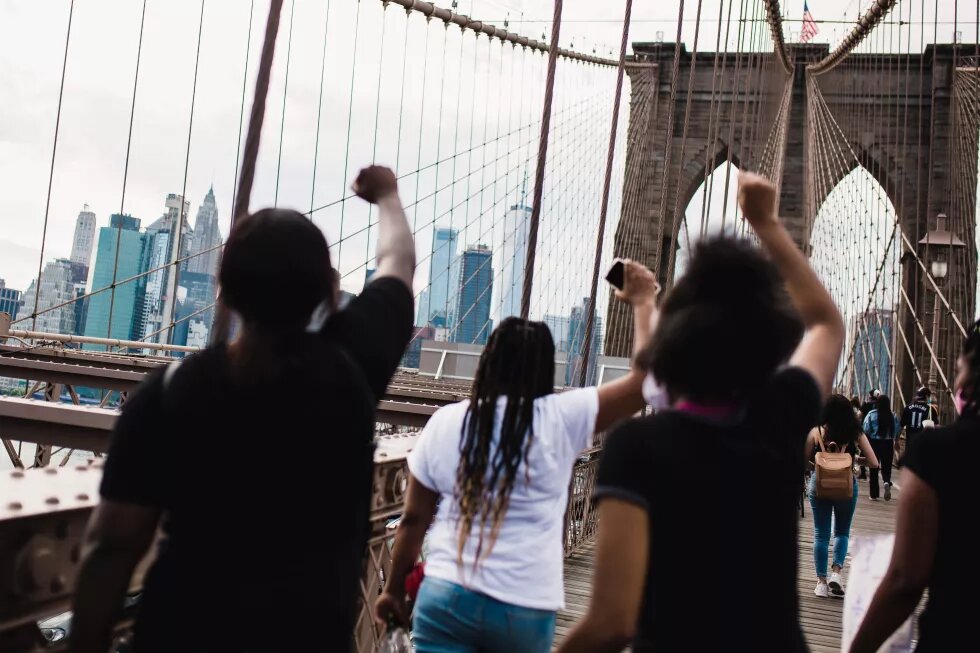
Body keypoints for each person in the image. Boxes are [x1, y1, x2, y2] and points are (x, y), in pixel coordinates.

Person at [69, 166, 416, 653]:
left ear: (223, 291)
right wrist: (386, 196)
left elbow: (111, 550)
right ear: (328, 292)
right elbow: (398, 260)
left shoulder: (170, 392)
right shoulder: (353, 366)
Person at [555, 172, 844, 652]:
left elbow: (610, 624)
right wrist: (767, 224)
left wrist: (647, 303)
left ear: (677, 338)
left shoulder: (638, 447)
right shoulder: (783, 413)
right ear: (772, 336)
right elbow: (826, 324)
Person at [373, 262, 660, 653]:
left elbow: (413, 520)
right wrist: (644, 301)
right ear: (546, 371)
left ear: (487, 361)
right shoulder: (563, 417)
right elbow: (644, 383)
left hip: (448, 593)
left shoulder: (447, 421)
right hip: (525, 605)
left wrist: (391, 592)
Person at [850, 319, 980, 652]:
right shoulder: (930, 420)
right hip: (897, 444)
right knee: (885, 470)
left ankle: (882, 485)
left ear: (969, 373)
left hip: (956, 637)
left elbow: (905, 580)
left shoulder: (941, 452)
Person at [806, 394, 880, 599]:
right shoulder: (855, 433)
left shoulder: (816, 431)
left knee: (821, 534)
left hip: (819, 486)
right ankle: (836, 573)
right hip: (846, 485)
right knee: (842, 532)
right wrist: (854, 462)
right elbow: (875, 463)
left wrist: (819, 466)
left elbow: (802, 461)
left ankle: (821, 583)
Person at [863, 394, 900, 501]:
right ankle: (886, 482)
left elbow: (866, 429)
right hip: (888, 444)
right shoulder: (893, 415)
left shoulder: (871, 414)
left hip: (875, 443)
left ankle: (874, 494)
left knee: (874, 468)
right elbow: (896, 431)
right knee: (886, 468)